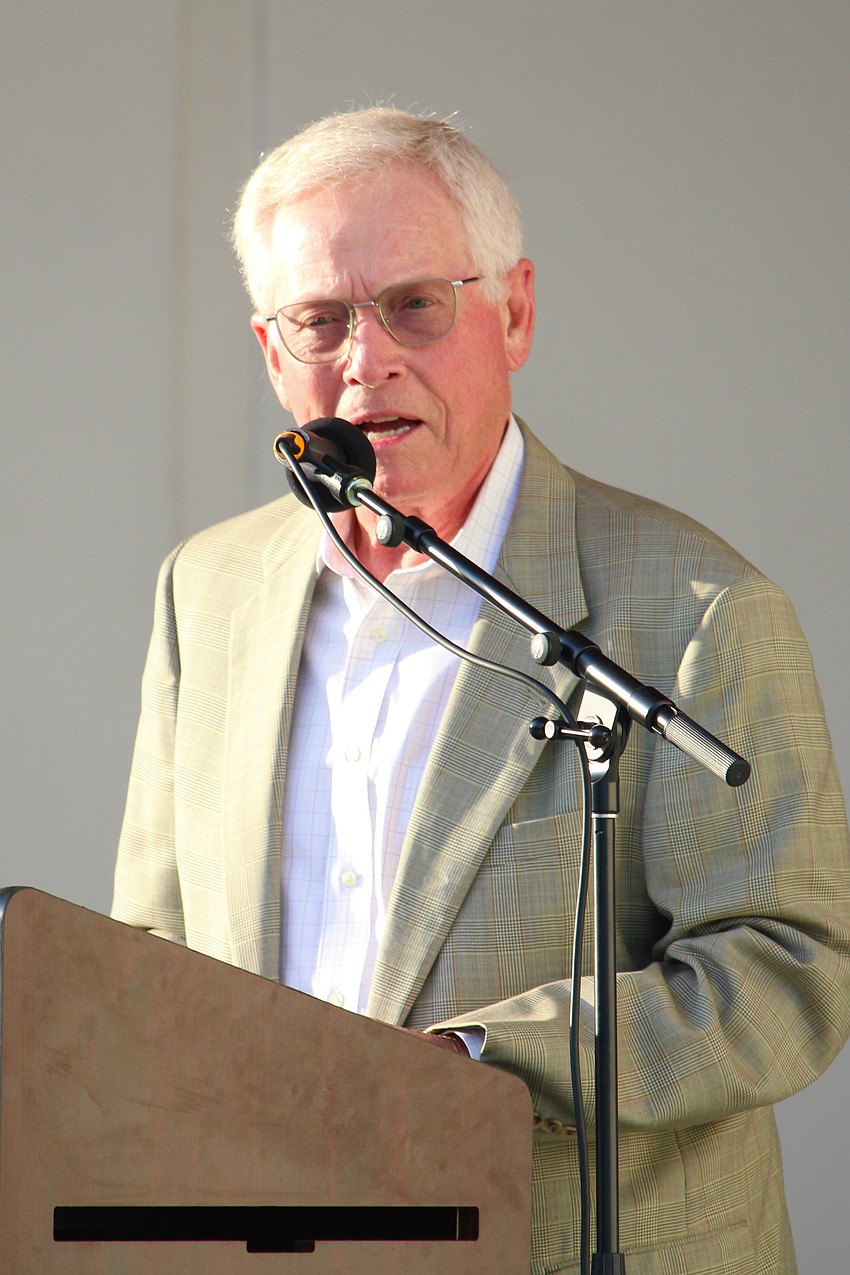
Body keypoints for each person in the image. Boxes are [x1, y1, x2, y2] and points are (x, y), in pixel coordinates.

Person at [112, 107, 850, 1274]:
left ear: (513, 312)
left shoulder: (696, 606)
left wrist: (470, 1069)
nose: (366, 359)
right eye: (320, 320)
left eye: (415, 303)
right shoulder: (205, 589)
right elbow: (154, 945)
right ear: (272, 351)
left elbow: (788, 970)